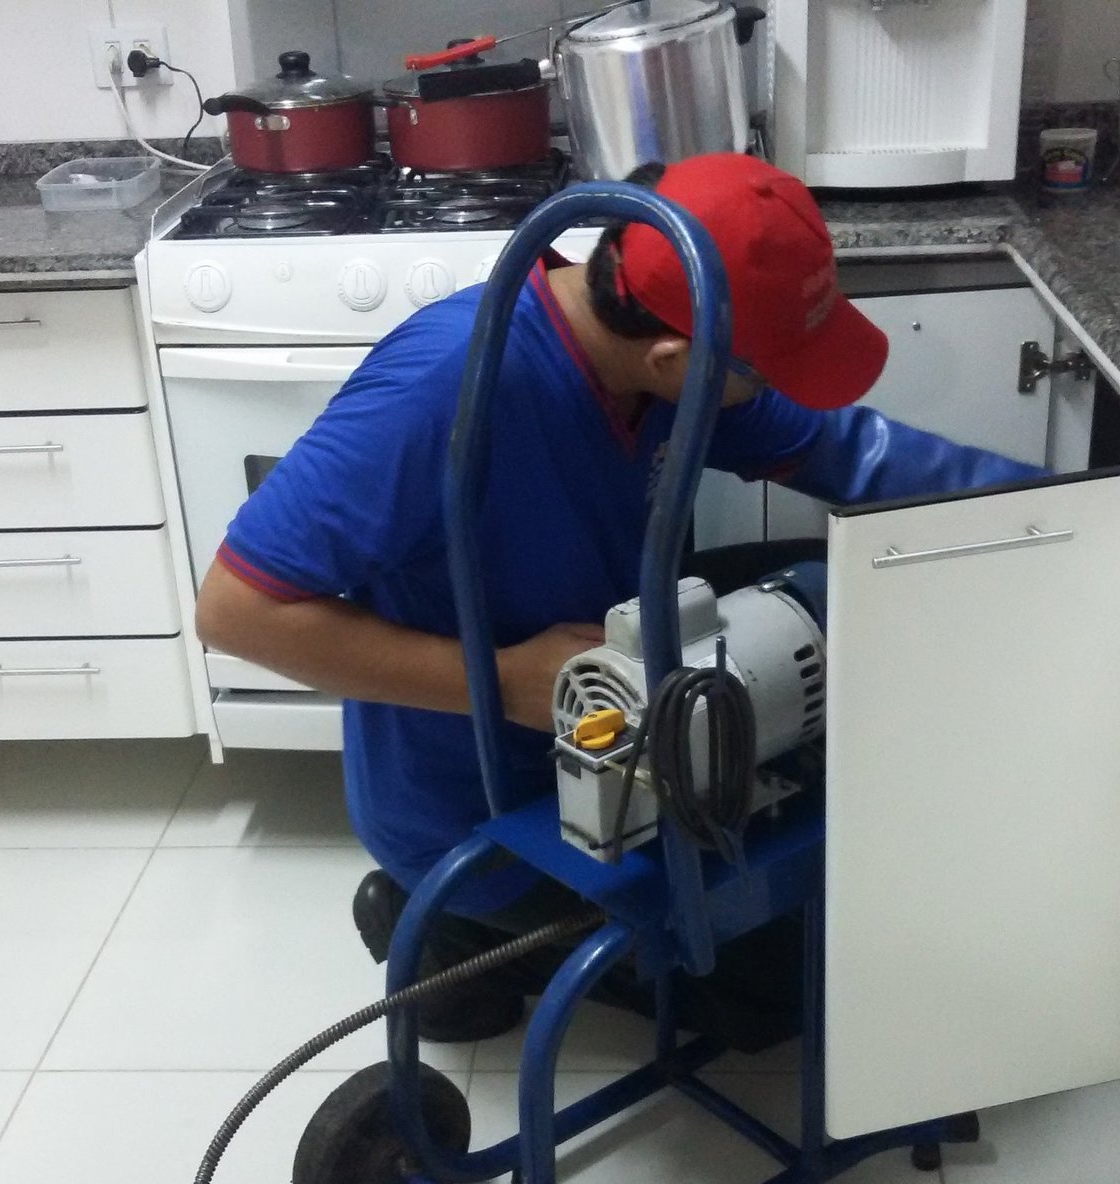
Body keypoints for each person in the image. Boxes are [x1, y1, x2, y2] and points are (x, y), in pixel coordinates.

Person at [195, 152, 1040, 1046]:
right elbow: (234, 610)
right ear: (677, 359)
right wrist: (506, 680)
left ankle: (488, 922)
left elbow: (851, 455)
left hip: (618, 680)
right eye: (768, 370)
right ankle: (442, 922)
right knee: (796, 990)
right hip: (483, 791)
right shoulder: (443, 388)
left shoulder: (662, 333)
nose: (776, 391)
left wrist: (1065, 518)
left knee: (832, 581)